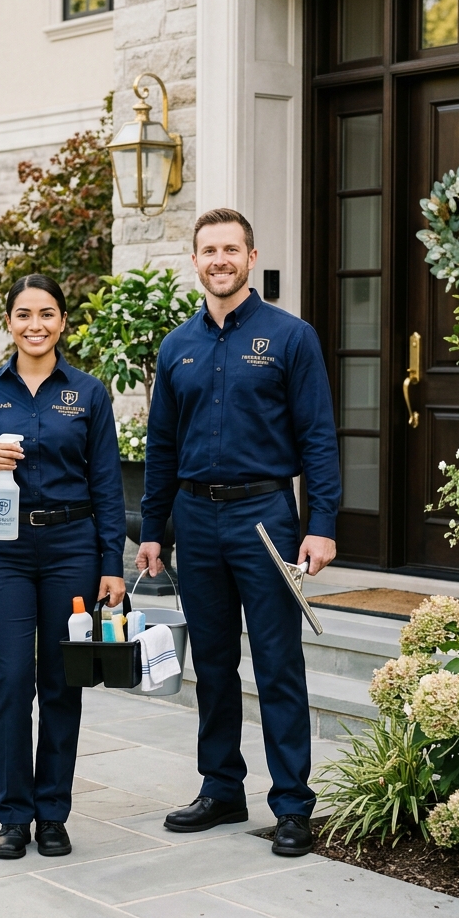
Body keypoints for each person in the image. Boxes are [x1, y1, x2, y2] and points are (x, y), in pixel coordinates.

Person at [137, 208, 340, 858]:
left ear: (251, 258)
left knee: (278, 663)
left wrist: (322, 526)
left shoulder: (290, 337)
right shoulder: (177, 347)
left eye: (231, 249)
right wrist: (152, 529)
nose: (219, 260)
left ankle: (291, 805)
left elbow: (318, 438)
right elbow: (161, 446)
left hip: (266, 520)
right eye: (208, 250)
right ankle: (222, 786)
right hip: (196, 520)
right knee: (214, 663)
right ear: (194, 261)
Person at [0, 274, 127, 860]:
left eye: (47, 314)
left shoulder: (88, 393)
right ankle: (13, 814)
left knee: (61, 682)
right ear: (9, 323)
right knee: (8, 684)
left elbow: (107, 484)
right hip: (3, 549)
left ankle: (52, 813)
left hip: (72, 547)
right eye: (24, 314)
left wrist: (111, 565)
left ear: (62, 323)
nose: (36, 324)